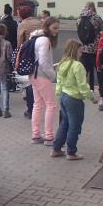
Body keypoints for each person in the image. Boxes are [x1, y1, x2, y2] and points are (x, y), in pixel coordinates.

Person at [51, 40, 97, 160]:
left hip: (64, 97)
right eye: (80, 50)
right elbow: (83, 85)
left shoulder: (62, 64)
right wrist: (91, 97)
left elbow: (59, 83)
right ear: (75, 51)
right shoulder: (78, 66)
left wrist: (58, 95)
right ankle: (71, 152)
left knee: (64, 124)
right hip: (74, 99)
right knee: (74, 126)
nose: (81, 53)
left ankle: (56, 148)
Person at [30, 17, 60, 145]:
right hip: (42, 75)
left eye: (58, 28)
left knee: (38, 104)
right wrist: (52, 75)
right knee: (51, 105)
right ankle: (49, 136)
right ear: (47, 27)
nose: (56, 31)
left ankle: (36, 134)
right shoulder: (45, 40)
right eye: (54, 28)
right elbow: (43, 61)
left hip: (33, 74)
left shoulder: (35, 37)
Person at [17, 5, 43, 118]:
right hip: (41, 53)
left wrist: (19, 54)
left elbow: (19, 41)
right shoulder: (40, 22)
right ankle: (38, 105)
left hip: (29, 54)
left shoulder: (23, 24)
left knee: (29, 83)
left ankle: (31, 109)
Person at [77, 1, 103, 93]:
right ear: (93, 7)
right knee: (99, 71)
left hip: (85, 48)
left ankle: (83, 89)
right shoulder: (96, 18)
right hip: (96, 49)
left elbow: (79, 31)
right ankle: (102, 91)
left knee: (83, 71)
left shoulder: (79, 18)